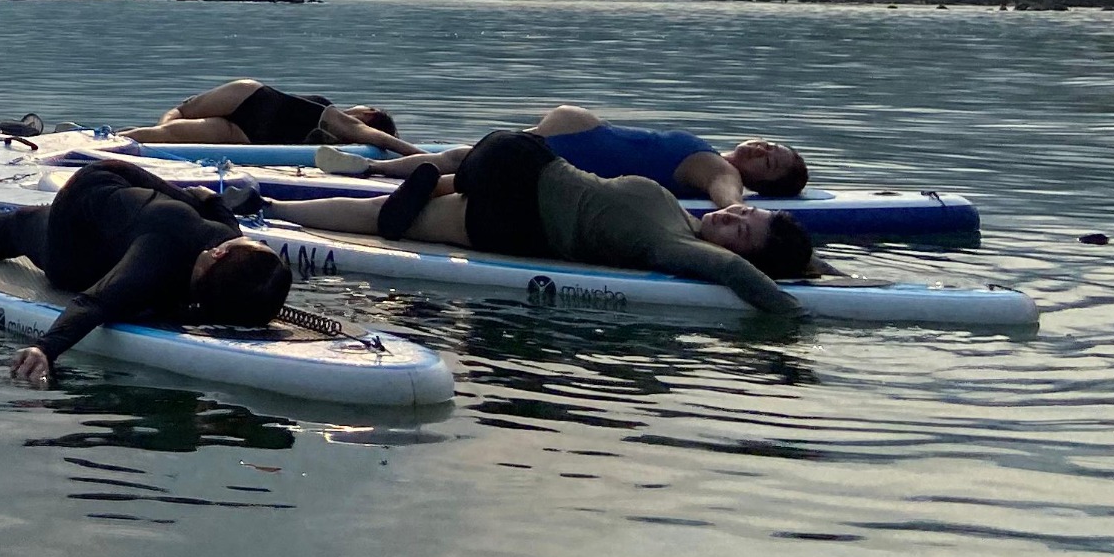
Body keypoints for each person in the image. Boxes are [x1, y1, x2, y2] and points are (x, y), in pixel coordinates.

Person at [271, 129, 812, 315]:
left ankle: (267, 211)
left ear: (736, 253)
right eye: (747, 210)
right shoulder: (683, 217)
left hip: (516, 205)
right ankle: (417, 190)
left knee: (382, 218)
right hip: (518, 177)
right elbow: (756, 260)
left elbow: (742, 278)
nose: (734, 213)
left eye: (741, 229)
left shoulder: (677, 247)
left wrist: (797, 311)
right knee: (391, 220)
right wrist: (820, 265)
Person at [0, 158, 295, 386]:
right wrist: (46, 348)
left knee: (16, 230)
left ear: (217, 255)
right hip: (91, 208)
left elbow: (95, 301)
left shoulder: (166, 253)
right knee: (17, 230)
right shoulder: (209, 240)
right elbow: (211, 204)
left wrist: (44, 349)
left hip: (77, 243)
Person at [316, 104, 808, 206]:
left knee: (469, 157)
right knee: (470, 157)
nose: (765, 150)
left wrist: (736, 213)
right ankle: (377, 164)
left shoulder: (717, 169)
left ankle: (375, 164)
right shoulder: (713, 153)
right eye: (772, 144)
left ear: (761, 181)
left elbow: (728, 197)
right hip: (580, 136)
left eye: (770, 161)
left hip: (578, 144)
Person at [128, 81, 409, 151]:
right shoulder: (332, 113)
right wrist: (415, 153)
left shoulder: (343, 133)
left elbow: (368, 134)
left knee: (167, 136)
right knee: (172, 123)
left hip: (249, 131)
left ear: (369, 113)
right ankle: (110, 141)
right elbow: (370, 136)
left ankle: (110, 141)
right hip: (253, 100)